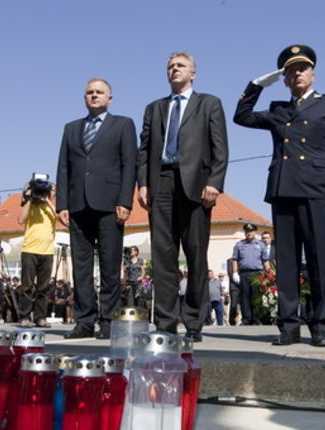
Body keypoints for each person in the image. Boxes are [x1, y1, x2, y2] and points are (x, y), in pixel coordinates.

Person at [234, 44, 325, 347]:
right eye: (290, 71)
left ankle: (321, 325)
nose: (297, 74)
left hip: (316, 191)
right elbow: (241, 116)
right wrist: (256, 86)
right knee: (286, 261)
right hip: (283, 189)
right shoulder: (278, 110)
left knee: (317, 260)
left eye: (302, 68)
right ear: (284, 78)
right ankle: (288, 325)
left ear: (312, 73)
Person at [136, 52, 229, 342]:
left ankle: (193, 323)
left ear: (193, 74)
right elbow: (144, 149)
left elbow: (220, 148)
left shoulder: (209, 104)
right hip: (161, 182)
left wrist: (214, 182)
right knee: (163, 256)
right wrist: (143, 183)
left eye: (180, 66)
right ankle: (164, 322)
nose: (174, 69)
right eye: (170, 66)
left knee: (195, 254)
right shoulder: (154, 108)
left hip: (196, 186)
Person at [57, 78, 137, 339]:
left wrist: (125, 201)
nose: (94, 96)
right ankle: (84, 322)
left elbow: (130, 166)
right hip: (78, 205)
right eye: (89, 92)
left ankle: (108, 322)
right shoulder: (71, 128)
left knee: (110, 266)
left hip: (109, 205)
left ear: (109, 98)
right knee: (80, 267)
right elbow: (64, 168)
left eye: (99, 92)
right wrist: (62, 204)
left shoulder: (123, 125)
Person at [18, 182, 57, 328]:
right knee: (27, 286)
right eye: (50, 190)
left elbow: (62, 219)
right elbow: (20, 220)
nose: (51, 192)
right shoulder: (31, 205)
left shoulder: (52, 208)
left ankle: (40, 317)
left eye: (53, 190)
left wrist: (47, 200)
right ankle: (24, 317)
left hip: (47, 251)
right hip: (30, 250)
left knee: (44, 287)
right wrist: (29, 199)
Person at [230, 223, 269, 326]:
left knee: (256, 296)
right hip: (244, 273)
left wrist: (269, 274)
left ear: (255, 232)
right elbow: (235, 259)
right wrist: (234, 273)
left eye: (251, 231)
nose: (249, 233)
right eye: (247, 231)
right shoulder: (239, 245)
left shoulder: (260, 245)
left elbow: (265, 260)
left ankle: (257, 318)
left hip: (257, 274)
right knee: (244, 297)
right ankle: (247, 319)